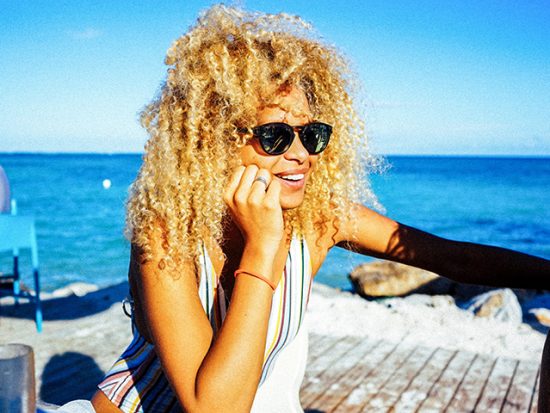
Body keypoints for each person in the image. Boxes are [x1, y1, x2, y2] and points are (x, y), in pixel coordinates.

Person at [92, 5, 549, 413]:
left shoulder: (318, 218)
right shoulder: (168, 235)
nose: (301, 155)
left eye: (311, 135)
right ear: (212, 140)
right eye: (275, 135)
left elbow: (452, 258)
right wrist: (262, 248)